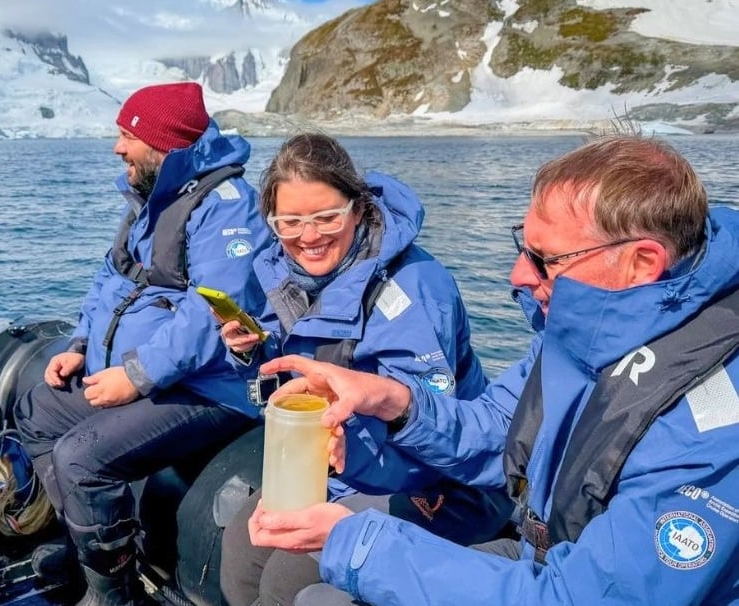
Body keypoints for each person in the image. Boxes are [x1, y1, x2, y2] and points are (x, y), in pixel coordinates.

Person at [248, 135, 739, 605]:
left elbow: (583, 598)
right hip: (546, 557)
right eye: (522, 248)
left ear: (641, 263)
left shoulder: (708, 431)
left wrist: (357, 542)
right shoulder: (587, 331)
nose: (518, 276)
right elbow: (499, 429)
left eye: (545, 260)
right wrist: (395, 402)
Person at [218, 133, 513, 606]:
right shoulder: (287, 273)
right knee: (241, 543)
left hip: (436, 481)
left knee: (284, 580)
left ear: (358, 208)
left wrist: (345, 450)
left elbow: (429, 425)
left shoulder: (413, 289)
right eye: (289, 221)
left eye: (326, 217)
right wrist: (252, 353)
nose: (308, 236)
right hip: (339, 461)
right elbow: (292, 374)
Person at [13, 81, 272, 606]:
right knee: (37, 414)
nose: (117, 148)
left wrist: (135, 376)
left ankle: (116, 594)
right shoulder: (151, 200)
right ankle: (87, 549)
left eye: (127, 136)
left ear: (164, 143)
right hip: (143, 372)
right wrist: (81, 343)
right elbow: (112, 278)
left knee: (81, 461)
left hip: (211, 388)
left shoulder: (227, 208)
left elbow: (211, 309)